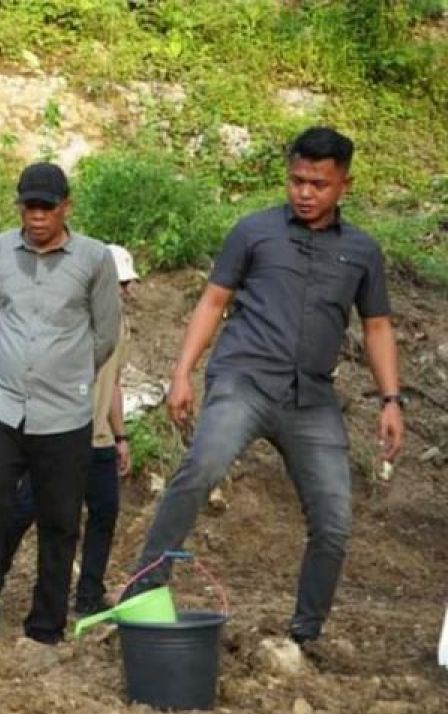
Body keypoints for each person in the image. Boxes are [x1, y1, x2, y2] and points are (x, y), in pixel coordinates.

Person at [123, 126, 403, 646]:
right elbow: (212, 301)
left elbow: (377, 327)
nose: (305, 192)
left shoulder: (362, 252)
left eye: (319, 183)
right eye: (297, 180)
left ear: (345, 183)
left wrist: (391, 399)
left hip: (312, 399)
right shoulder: (254, 232)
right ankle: (141, 595)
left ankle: (304, 637)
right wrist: (181, 373)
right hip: (243, 380)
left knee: (334, 521)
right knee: (200, 467)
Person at [0, 162, 121, 645]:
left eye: (46, 207)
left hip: (64, 414)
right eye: (29, 206)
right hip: (2, 407)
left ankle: (46, 624)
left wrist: (68, 376)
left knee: (59, 518)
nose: (36, 217)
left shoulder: (94, 260)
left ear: (66, 207)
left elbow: (106, 334)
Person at [2, 244, 138, 616]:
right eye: (119, 284)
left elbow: (114, 384)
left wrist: (121, 436)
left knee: (104, 513)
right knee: (27, 509)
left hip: (99, 440)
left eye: (127, 285)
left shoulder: (119, 327)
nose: (124, 292)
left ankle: (89, 594)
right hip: (60, 435)